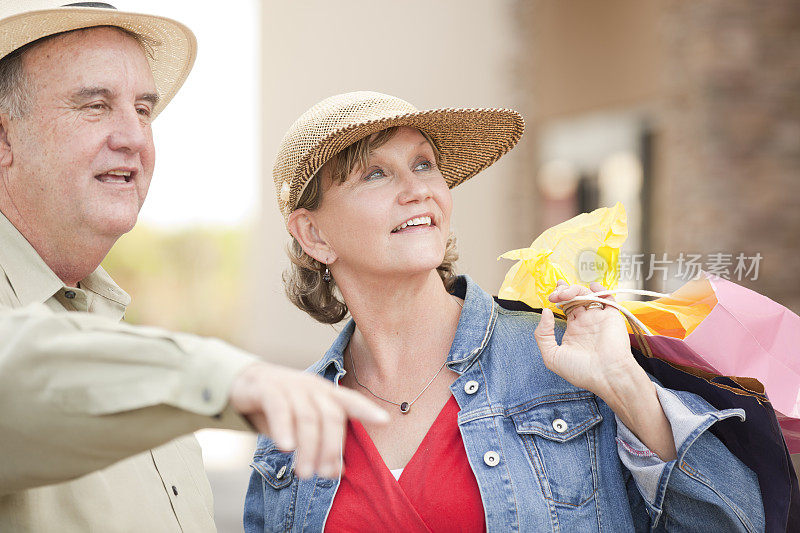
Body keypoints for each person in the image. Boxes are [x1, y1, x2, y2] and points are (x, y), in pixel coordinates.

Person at [244, 91, 765, 531]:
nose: (417, 189)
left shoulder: (564, 360)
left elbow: (737, 522)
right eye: (375, 174)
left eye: (424, 164)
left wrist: (626, 385)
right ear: (314, 234)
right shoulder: (290, 432)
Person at [0, 3, 388, 531]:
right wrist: (223, 379)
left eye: (142, 109)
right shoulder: (188, 378)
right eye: (94, 105)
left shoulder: (110, 331)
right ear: (3, 139)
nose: (134, 137)